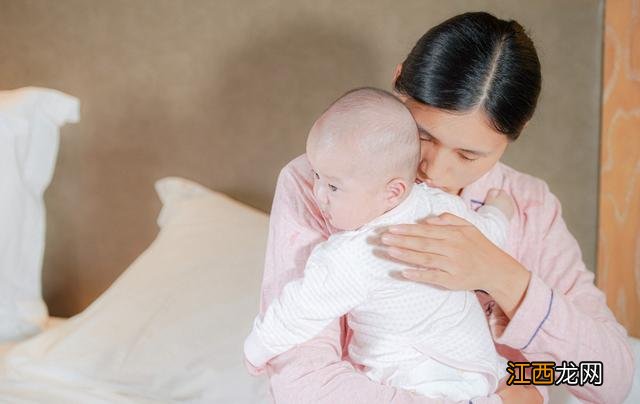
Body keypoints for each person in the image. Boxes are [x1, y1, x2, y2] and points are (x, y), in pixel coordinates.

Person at [246, 12, 635, 404]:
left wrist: (504, 283)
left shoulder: (527, 206)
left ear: (518, 132)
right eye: (423, 136)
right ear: (398, 83)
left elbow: (608, 377)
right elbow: (303, 381)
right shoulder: (322, 185)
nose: (434, 170)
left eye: (468, 155)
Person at [245, 88, 515, 401]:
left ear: (392, 192)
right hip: (477, 362)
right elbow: (487, 236)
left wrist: (257, 347)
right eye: (317, 175)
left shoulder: (357, 253)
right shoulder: (440, 206)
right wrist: (499, 211)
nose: (318, 193)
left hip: (415, 377)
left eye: (333, 186)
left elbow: (299, 310)